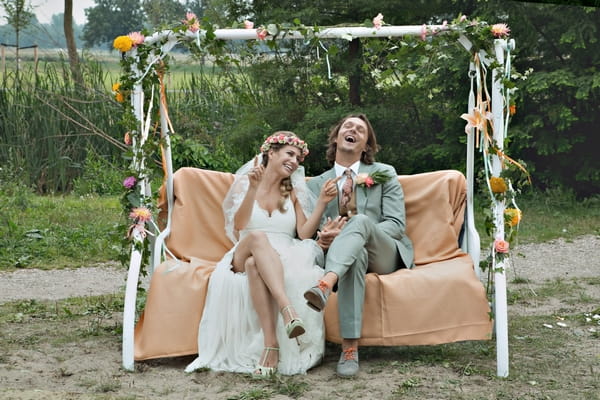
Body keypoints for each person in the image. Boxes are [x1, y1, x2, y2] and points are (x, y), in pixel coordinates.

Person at [185, 131, 340, 377]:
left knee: (255, 266)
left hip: (279, 254)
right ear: (271, 152)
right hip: (244, 249)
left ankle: (271, 345)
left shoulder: (293, 192)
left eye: (299, 158)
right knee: (256, 238)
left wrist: (321, 203)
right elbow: (239, 224)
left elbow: (304, 233)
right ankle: (287, 307)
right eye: (290, 154)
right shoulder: (249, 182)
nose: (295, 161)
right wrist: (252, 189)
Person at [303, 113, 415, 378]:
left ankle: (324, 284)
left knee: (362, 222)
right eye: (347, 126)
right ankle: (350, 348)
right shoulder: (317, 184)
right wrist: (322, 237)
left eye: (360, 130)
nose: (353, 130)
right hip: (340, 257)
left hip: (384, 252)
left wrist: (358, 230)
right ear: (337, 137)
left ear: (366, 146)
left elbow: (396, 224)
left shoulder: (383, 174)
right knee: (357, 256)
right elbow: (306, 232)